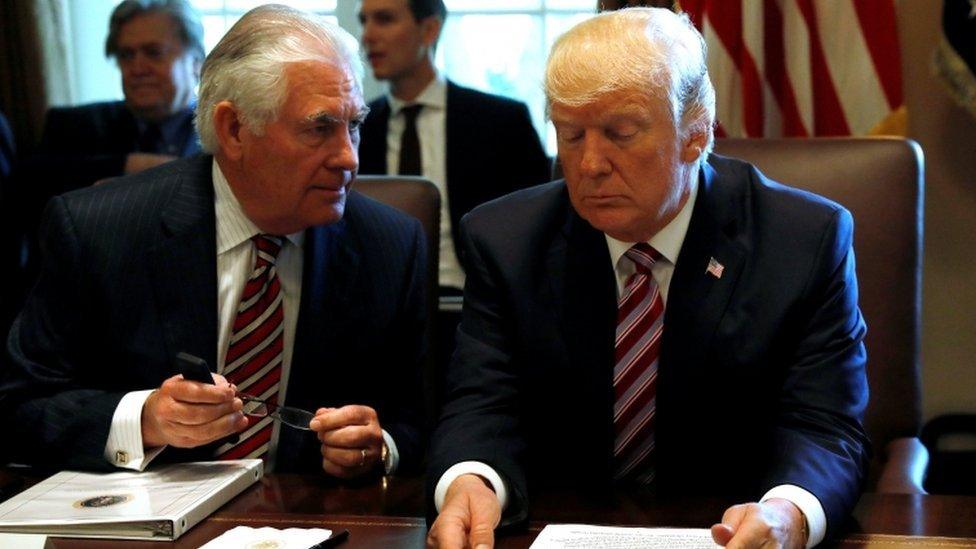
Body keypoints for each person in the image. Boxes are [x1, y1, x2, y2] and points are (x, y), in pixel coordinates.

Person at [427, 8, 869, 549]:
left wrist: (788, 511)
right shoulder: (505, 240)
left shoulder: (803, 240)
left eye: (621, 133)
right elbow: (483, 402)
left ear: (695, 131)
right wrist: (473, 479)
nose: (589, 164)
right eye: (571, 135)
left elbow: (823, 426)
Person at [0, 5, 427, 480]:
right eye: (319, 127)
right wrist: (143, 421)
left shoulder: (390, 245)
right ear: (234, 129)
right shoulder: (99, 231)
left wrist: (380, 445)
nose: (348, 157)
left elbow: (424, 415)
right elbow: (18, 403)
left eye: (354, 125)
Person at [357, 0, 551, 294]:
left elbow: (542, 226)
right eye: (364, 21)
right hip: (384, 299)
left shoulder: (502, 121)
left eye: (384, 20)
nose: (367, 36)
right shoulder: (357, 129)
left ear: (429, 29)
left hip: (476, 297)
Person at [26, 0, 204, 194]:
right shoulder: (73, 125)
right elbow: (26, 182)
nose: (137, 69)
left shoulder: (225, 132)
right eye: (126, 55)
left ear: (196, 63)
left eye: (154, 53)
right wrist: (127, 164)